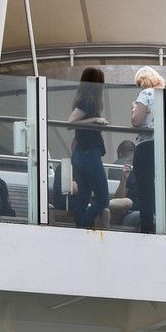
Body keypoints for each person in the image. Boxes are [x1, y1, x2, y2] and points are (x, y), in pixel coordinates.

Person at [131, 66, 166, 234]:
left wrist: (134, 110)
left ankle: (147, 228)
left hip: (147, 147)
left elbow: (137, 121)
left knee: (145, 189)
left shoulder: (145, 94)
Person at [69, 67, 110, 230]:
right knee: (103, 199)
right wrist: (95, 120)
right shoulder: (88, 101)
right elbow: (70, 123)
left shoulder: (84, 99)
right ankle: (82, 227)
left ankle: (80, 228)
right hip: (89, 154)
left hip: (80, 154)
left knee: (84, 198)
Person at [110, 139, 140, 229]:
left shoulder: (157, 177)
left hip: (154, 214)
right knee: (145, 216)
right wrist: (124, 178)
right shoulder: (132, 172)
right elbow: (118, 199)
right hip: (131, 213)